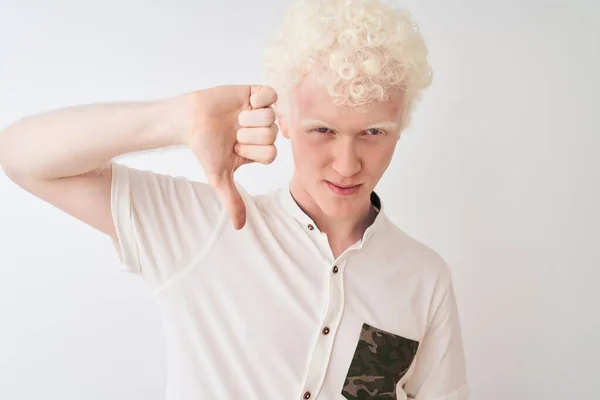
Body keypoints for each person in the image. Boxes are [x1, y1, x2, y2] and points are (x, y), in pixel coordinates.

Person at [0, 0, 470, 399]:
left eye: (372, 133)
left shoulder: (424, 277)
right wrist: (177, 119)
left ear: (400, 126)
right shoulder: (206, 227)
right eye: (322, 130)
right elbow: (22, 157)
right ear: (282, 118)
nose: (347, 165)